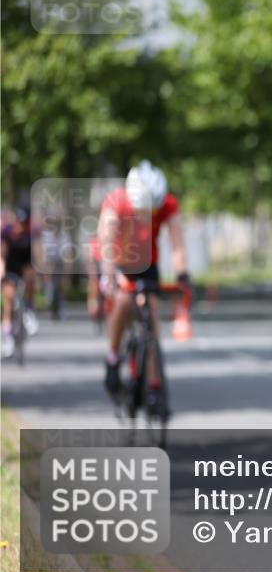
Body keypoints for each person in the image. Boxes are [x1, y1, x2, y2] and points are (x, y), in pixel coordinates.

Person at [98, 160, 189, 408]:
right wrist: (108, 276)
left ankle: (154, 386)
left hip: (148, 263)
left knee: (152, 314)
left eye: (152, 211)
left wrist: (182, 274)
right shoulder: (117, 201)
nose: (147, 216)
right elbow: (106, 241)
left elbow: (177, 242)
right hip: (120, 260)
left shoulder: (167, 204)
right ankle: (113, 357)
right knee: (123, 301)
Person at [2, 204, 41, 354]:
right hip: (11, 264)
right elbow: (2, 255)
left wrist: (42, 269)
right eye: (19, 221)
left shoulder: (32, 233)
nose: (21, 226)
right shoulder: (7, 232)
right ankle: (8, 336)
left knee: (30, 277)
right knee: (9, 297)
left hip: (26, 263)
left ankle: (29, 309)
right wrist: (2, 271)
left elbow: (38, 252)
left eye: (25, 222)